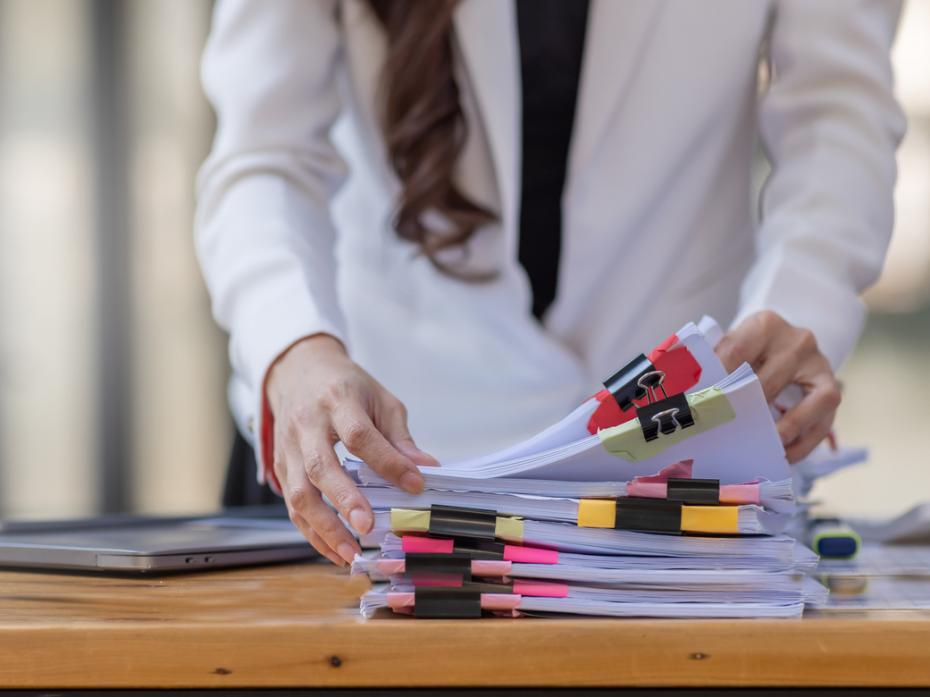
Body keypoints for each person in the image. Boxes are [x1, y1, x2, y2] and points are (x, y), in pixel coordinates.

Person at [195, 0, 905, 566]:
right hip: (365, 470)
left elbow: (838, 111)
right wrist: (294, 343)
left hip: (677, 480)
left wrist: (805, 295)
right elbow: (263, 155)